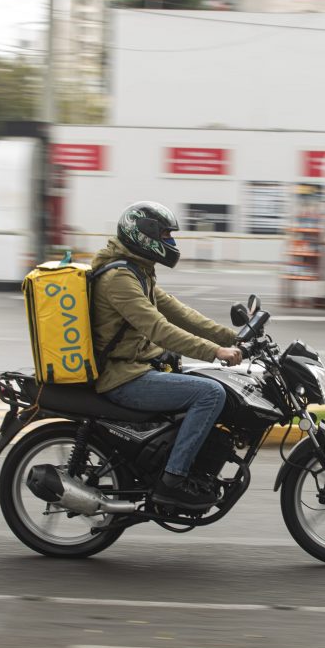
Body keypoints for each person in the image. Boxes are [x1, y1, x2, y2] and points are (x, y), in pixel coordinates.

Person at [91, 201, 243, 510]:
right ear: (142, 234)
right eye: (165, 235)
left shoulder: (136, 271)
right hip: (122, 377)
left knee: (204, 380)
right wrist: (215, 351)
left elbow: (180, 313)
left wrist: (232, 337)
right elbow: (159, 329)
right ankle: (173, 480)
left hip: (136, 367)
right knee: (210, 394)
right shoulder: (119, 278)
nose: (171, 242)